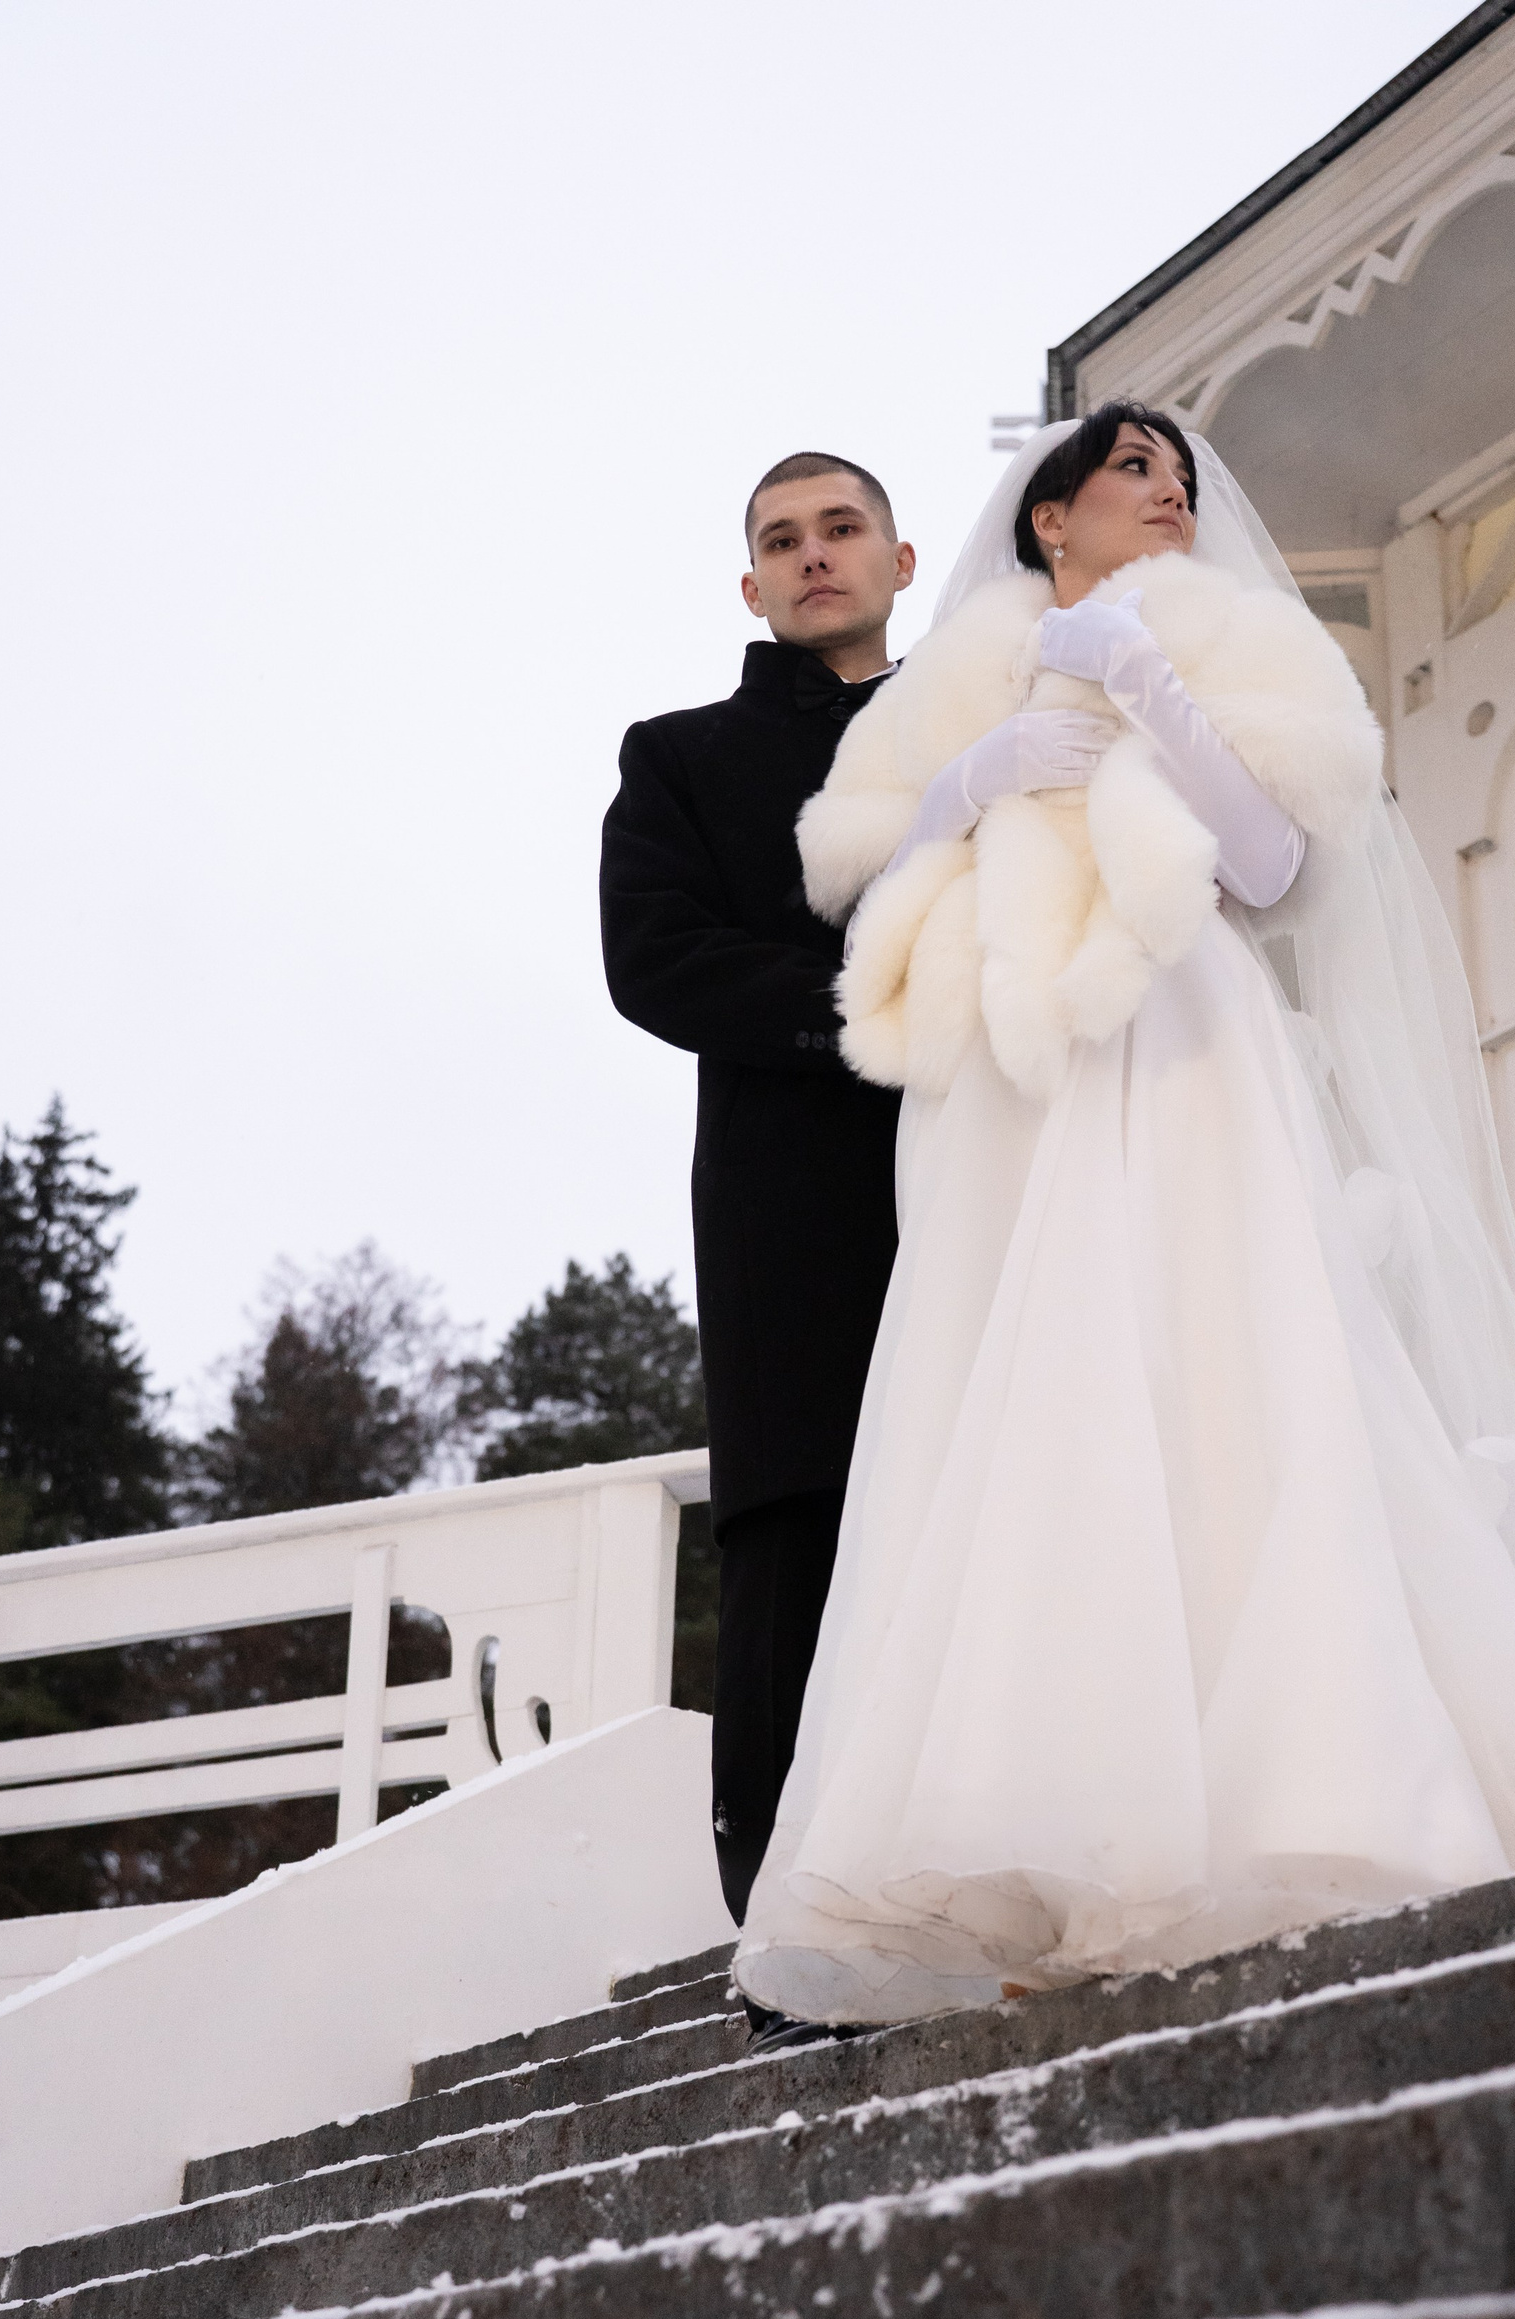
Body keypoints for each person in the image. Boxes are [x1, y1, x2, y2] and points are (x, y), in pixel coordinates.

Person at [734, 405, 1515, 2031]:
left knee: (1225, 1366)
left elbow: (1279, 868)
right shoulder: (957, 675)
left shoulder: (1234, 640)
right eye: (1132, 472)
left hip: (1185, 1038)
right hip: (1014, 1086)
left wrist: (1155, 686)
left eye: (1178, 475)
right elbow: (856, 880)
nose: (1170, 493)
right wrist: (970, 779)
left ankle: (1291, 1781)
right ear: (1049, 518)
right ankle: (1045, 1823)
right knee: (1029, 1412)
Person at [602, 451, 1117, 2036]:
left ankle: (1022, 1874)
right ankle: (789, 1927)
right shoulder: (680, 757)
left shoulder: (989, 714)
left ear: (902, 560)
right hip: (796, 1206)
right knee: (803, 1534)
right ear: (750, 583)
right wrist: (880, 1005)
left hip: (995, 1167)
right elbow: (657, 961)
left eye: (841, 529)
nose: (813, 555)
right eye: (782, 539)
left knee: (1009, 1502)